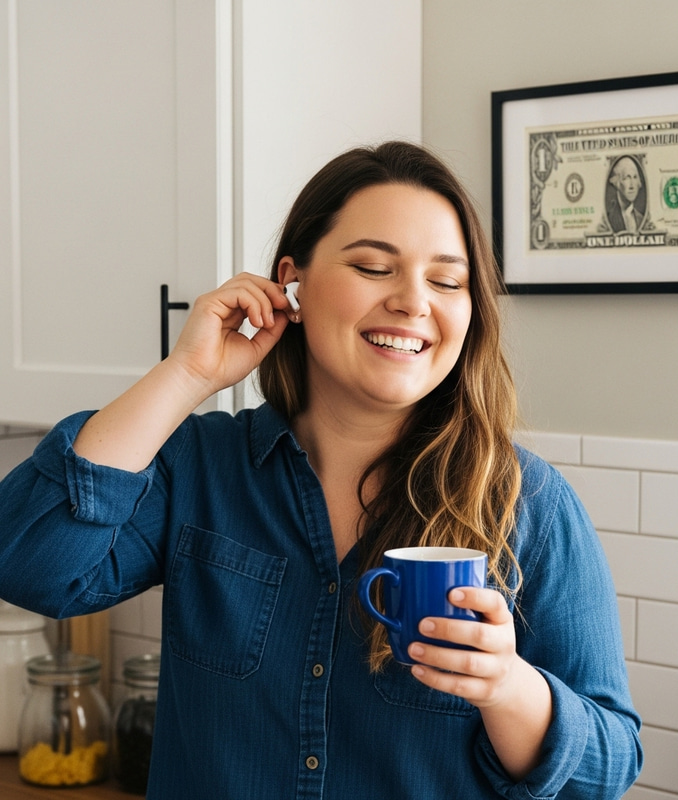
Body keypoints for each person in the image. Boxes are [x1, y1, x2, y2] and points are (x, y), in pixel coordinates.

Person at [0, 141, 642, 799]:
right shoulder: (196, 468)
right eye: (373, 266)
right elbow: (28, 564)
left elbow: (611, 766)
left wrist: (508, 688)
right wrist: (186, 374)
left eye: (447, 280)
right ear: (292, 281)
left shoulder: (528, 502)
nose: (413, 302)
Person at [606, 155, 646, 233]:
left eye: (635, 177)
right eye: (626, 178)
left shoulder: (641, 219)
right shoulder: (609, 219)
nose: (632, 185)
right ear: (617, 183)